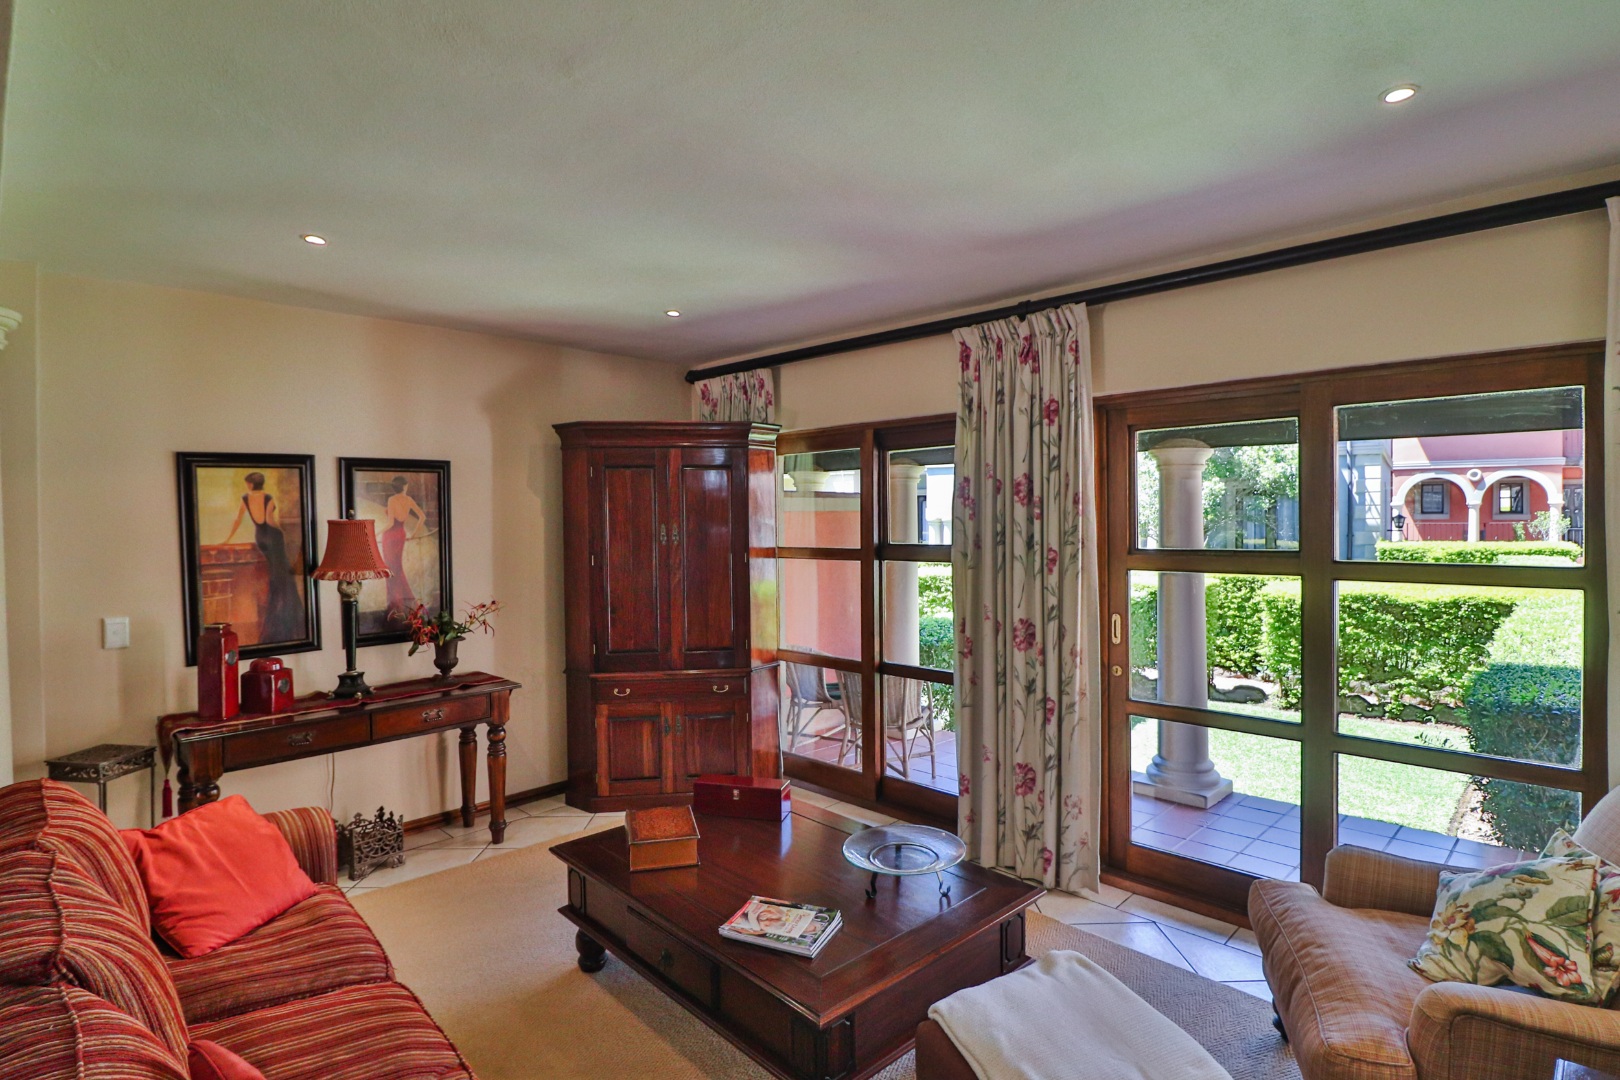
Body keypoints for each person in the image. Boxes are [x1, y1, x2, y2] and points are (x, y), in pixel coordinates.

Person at [222, 472, 303, 643]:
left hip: (260, 537)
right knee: (283, 574)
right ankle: (286, 610)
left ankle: (276, 610)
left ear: (251, 484)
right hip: (273, 536)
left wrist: (227, 539)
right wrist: (282, 532)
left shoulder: (245, 498)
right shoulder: (268, 498)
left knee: (275, 572)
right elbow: (270, 521)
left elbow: (238, 520)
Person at [379, 475, 428, 618]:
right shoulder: (408, 500)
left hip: (390, 536)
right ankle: (403, 605)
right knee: (396, 568)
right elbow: (422, 517)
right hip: (400, 534)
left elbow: (389, 523)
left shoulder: (392, 500)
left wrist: (376, 533)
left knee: (391, 569)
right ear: (405, 486)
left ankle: (396, 606)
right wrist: (413, 534)